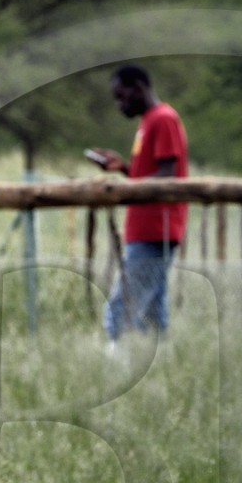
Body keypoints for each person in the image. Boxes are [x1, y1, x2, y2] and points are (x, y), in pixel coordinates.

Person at [90, 63, 188, 343]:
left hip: (156, 228)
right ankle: (162, 368)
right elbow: (149, 174)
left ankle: (117, 368)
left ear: (138, 88)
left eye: (122, 96)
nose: (120, 104)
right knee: (154, 311)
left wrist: (123, 187)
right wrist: (123, 168)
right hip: (147, 227)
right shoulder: (148, 121)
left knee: (121, 310)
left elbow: (167, 174)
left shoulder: (163, 118)